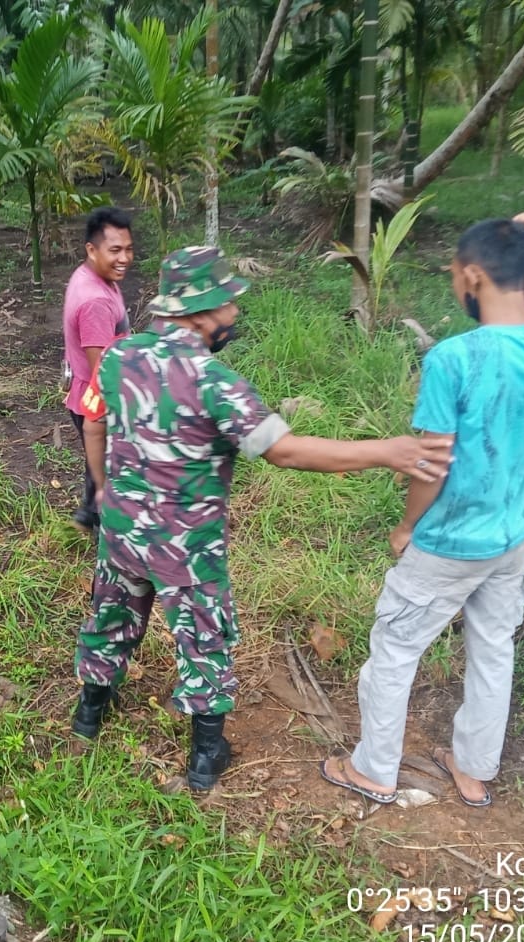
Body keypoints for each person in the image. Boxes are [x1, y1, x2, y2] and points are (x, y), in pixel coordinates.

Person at [69, 246, 455, 793]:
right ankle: (205, 758)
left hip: (124, 532)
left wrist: (104, 489)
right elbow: (286, 451)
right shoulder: (215, 382)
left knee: (111, 616)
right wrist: (386, 450)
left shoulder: (118, 357)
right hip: (187, 548)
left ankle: (89, 714)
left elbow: (93, 419)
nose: (233, 315)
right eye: (228, 305)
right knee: (203, 639)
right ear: (202, 312)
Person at [321, 213, 524, 809]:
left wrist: (408, 525)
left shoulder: (453, 358)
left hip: (448, 541)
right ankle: (472, 770)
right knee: (493, 648)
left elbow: (430, 461)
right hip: (511, 534)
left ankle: (374, 770)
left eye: (453, 278)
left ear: (471, 274)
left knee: (395, 648)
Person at [62, 207, 135, 537]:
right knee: (111, 467)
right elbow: (103, 373)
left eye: (128, 249)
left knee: (100, 467)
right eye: (115, 250)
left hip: (85, 393)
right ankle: (107, 533)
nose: (124, 258)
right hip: (96, 400)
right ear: (91, 250)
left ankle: (87, 517)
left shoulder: (91, 276)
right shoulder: (94, 301)